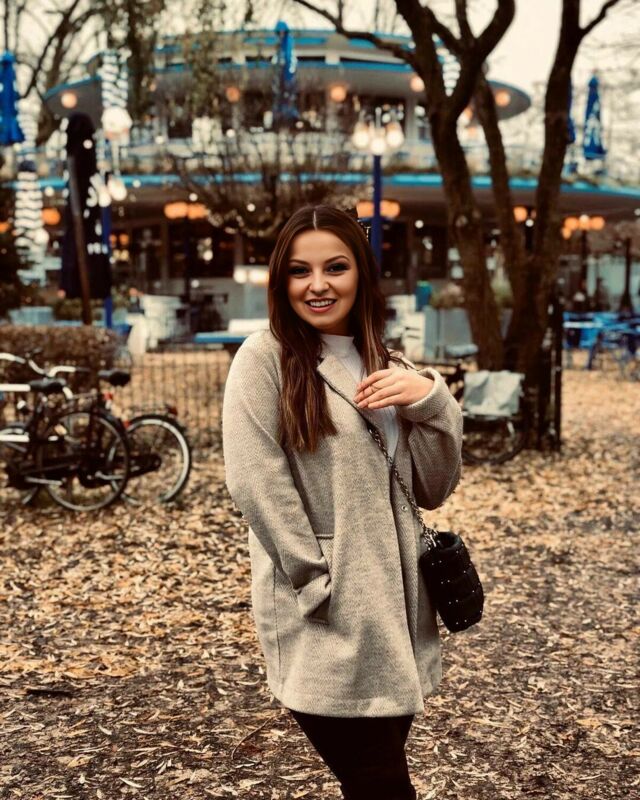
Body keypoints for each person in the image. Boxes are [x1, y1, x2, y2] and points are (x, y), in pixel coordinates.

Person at [221, 205, 463, 800]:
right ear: (281, 279)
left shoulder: (389, 363)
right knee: (381, 782)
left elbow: (432, 488)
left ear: (362, 273)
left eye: (335, 267)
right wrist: (314, 580)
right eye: (300, 270)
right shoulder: (264, 358)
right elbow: (256, 481)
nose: (318, 284)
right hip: (326, 613)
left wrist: (432, 400)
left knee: (372, 780)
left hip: (397, 613)